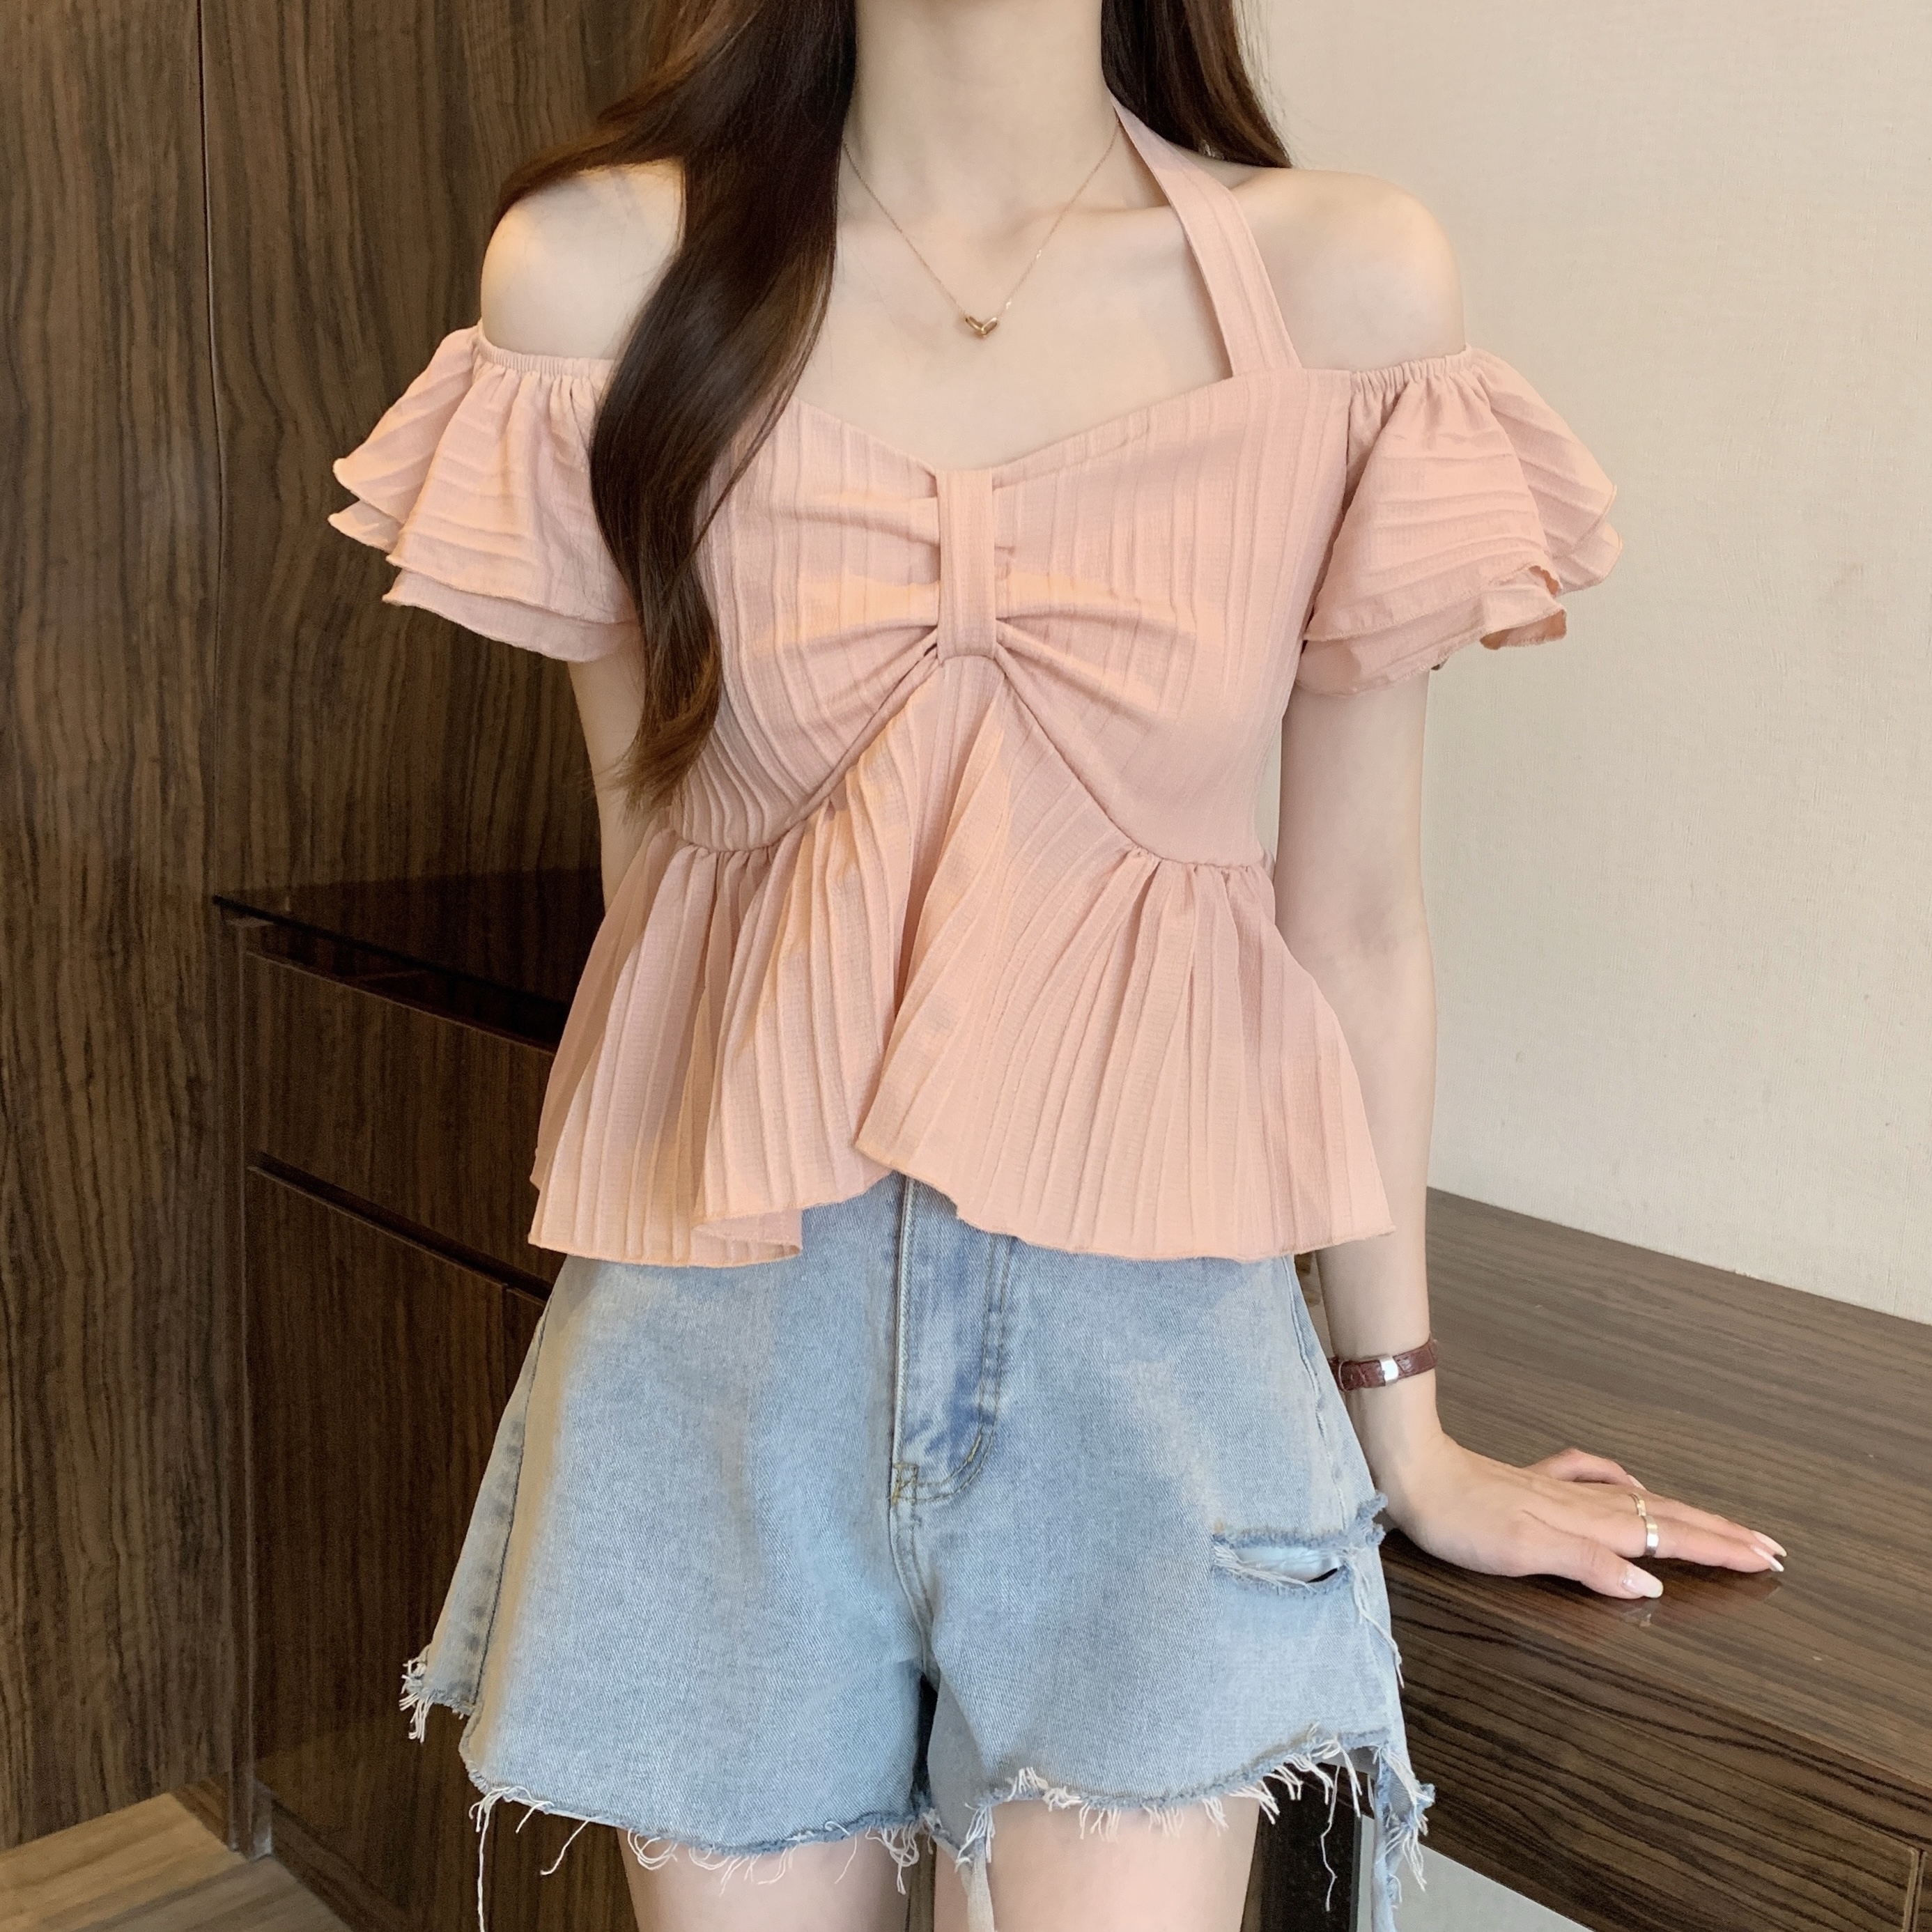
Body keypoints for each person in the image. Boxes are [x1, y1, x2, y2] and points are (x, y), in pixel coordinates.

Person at [327, 3, 1784, 1929]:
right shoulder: (598, 278)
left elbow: (1352, 919)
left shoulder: (1341, 289)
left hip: (1155, 1366)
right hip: (728, 1353)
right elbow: (659, 876)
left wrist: (1404, 1425)